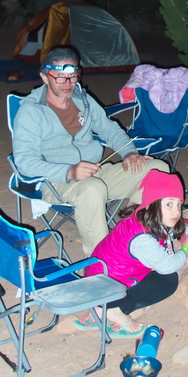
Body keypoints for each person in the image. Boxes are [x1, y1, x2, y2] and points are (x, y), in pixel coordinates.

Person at [12, 45, 168, 257]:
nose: (67, 83)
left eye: (72, 76)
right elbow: (24, 162)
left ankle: (136, 235)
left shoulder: (82, 99)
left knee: (157, 170)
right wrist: (69, 171)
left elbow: (109, 128)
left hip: (95, 171)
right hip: (57, 182)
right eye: (59, 77)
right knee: (92, 189)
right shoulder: (31, 111)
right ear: (44, 77)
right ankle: (101, 263)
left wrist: (129, 152)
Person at [73, 169, 188, 337]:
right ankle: (112, 310)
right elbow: (168, 266)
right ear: (152, 204)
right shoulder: (142, 238)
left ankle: (100, 309)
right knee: (168, 281)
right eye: (169, 204)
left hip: (105, 279)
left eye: (178, 205)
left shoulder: (147, 217)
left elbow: (177, 229)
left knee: (163, 277)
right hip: (104, 287)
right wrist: (187, 249)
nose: (176, 211)